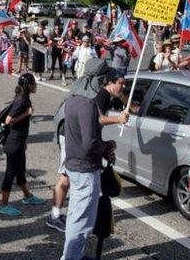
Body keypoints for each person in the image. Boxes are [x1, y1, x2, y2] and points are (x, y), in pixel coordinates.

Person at [58, 59, 125, 260]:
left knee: (78, 215)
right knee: (82, 219)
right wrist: (108, 147)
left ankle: (73, 256)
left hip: (75, 163)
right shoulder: (87, 104)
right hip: (85, 167)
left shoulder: (74, 99)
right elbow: (90, 143)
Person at [47, 71, 130, 232]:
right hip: (73, 138)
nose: (123, 86)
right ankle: (56, 217)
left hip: (75, 136)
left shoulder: (104, 95)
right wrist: (118, 120)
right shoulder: (101, 96)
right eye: (121, 83)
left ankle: (70, 218)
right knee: (66, 177)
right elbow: (97, 119)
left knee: (72, 178)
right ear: (109, 82)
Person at [0, 74, 46, 216]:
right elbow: (8, 120)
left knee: (20, 170)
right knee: (10, 173)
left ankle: (27, 196)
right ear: (29, 86)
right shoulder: (23, 100)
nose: (36, 86)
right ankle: (4, 205)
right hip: (13, 142)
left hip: (18, 141)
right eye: (34, 83)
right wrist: (26, 114)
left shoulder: (23, 97)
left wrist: (23, 142)